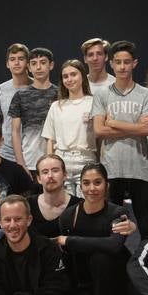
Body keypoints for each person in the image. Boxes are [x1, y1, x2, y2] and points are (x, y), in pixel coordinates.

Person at [55, 163, 139, 295]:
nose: (92, 188)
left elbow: (113, 245)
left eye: (97, 182)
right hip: (83, 280)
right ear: (80, 186)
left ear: (106, 185)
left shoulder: (118, 212)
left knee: (100, 258)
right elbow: (65, 254)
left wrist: (70, 241)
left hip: (113, 277)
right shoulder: (68, 216)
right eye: (86, 183)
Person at [93, 39, 148, 237]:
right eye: (117, 62)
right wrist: (135, 127)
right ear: (111, 63)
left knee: (145, 224)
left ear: (134, 63)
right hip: (111, 167)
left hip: (141, 167)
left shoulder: (146, 94)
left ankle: (147, 263)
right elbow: (99, 131)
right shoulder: (102, 94)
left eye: (126, 62)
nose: (122, 66)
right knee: (111, 226)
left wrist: (114, 123)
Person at [43, 59, 98, 195]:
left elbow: (101, 137)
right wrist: (51, 164)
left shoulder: (94, 103)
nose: (69, 79)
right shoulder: (56, 106)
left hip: (86, 159)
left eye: (73, 74)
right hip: (61, 159)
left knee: (86, 206)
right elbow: (50, 138)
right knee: (64, 207)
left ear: (82, 76)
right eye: (65, 76)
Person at [7, 47, 57, 175]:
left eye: (43, 62)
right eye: (34, 63)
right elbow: (15, 131)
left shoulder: (60, 94)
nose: (38, 67)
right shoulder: (20, 95)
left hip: (56, 160)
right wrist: (21, 163)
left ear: (51, 65)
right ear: (28, 67)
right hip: (29, 161)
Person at [0, 43, 31, 167]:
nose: (16, 63)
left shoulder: (37, 88)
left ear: (28, 62)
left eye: (21, 59)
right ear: (7, 64)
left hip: (32, 151)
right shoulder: (0, 90)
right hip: (6, 153)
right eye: (12, 59)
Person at [29, 153, 75, 238]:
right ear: (39, 178)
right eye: (45, 172)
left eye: (55, 170)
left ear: (65, 175)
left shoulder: (78, 206)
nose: (50, 176)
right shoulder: (27, 205)